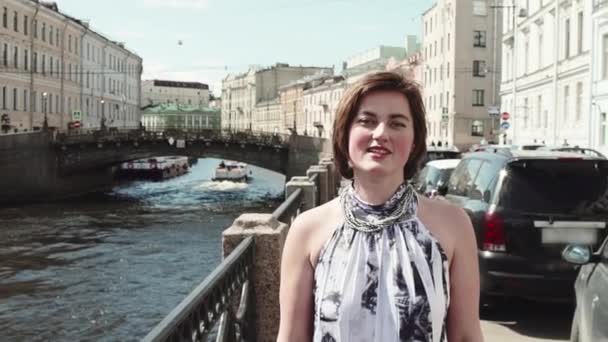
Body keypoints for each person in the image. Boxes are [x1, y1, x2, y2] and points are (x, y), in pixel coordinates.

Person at [277, 71, 482, 342]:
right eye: (367, 121)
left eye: (397, 124)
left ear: (414, 140)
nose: (381, 133)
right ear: (345, 133)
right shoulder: (308, 229)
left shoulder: (453, 225)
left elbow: (467, 335)